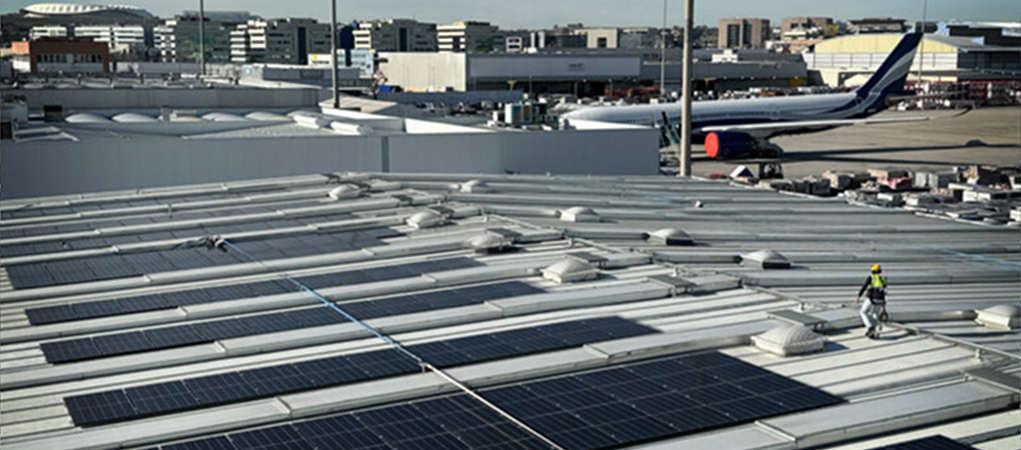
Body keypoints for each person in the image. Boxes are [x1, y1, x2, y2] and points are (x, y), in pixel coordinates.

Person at [855, 264, 888, 339]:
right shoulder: (883, 279)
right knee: (875, 314)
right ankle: (874, 331)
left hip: (871, 299)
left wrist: (858, 296)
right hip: (880, 300)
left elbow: (864, 287)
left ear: (872, 271)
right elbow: (884, 289)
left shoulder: (871, 278)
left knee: (863, 312)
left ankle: (870, 327)